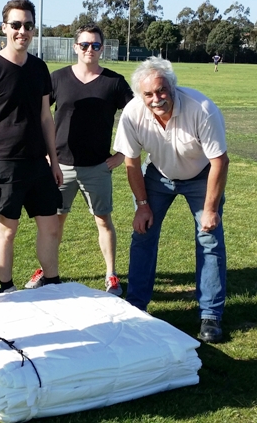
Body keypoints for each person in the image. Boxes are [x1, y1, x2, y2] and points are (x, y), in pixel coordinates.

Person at [113, 56, 229, 344]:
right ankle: (136, 306)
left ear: (172, 87)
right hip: (158, 175)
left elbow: (220, 161)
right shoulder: (132, 113)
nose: (156, 99)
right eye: (148, 94)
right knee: (143, 234)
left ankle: (210, 315)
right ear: (140, 94)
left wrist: (211, 210)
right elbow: (131, 160)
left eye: (162, 91)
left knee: (209, 237)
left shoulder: (201, 109)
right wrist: (141, 206)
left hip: (201, 175)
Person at [0, 0, 63, 293]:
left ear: (33, 29)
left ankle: (51, 282)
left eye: (27, 25)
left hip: (39, 162)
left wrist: (54, 160)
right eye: (15, 25)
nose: (21, 30)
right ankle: (6, 288)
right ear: (4, 28)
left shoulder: (39, 68)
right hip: (4, 162)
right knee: (7, 230)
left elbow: (45, 118)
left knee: (50, 227)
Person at [39, 23, 133, 295]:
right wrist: (47, 154)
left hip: (97, 167)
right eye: (84, 45)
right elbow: (41, 117)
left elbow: (137, 118)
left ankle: (111, 274)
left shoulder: (114, 82)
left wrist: (122, 154)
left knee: (103, 220)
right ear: (75, 47)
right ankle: (47, 271)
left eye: (95, 45)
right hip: (60, 166)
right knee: (54, 223)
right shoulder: (57, 78)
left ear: (102, 48)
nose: (89, 49)